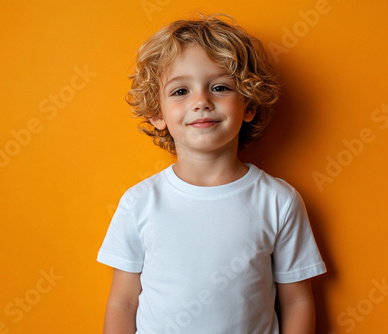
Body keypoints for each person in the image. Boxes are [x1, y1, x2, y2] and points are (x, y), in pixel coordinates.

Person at [98, 13, 326, 334]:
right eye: (180, 92)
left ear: (249, 106)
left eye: (220, 87)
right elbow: (123, 302)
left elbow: (297, 301)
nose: (201, 101)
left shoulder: (279, 201)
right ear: (156, 113)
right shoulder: (139, 202)